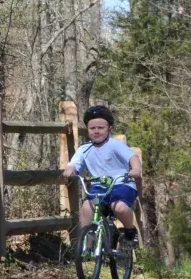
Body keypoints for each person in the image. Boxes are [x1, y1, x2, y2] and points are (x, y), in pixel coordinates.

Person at [61, 105, 143, 251]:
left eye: (101, 127)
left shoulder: (115, 145)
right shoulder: (84, 149)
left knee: (119, 207)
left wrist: (136, 169)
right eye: (92, 128)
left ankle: (130, 231)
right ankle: (87, 242)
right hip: (100, 186)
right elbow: (74, 164)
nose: (96, 131)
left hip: (122, 184)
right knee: (87, 207)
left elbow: (133, 157)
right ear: (87, 129)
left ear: (109, 128)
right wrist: (69, 171)